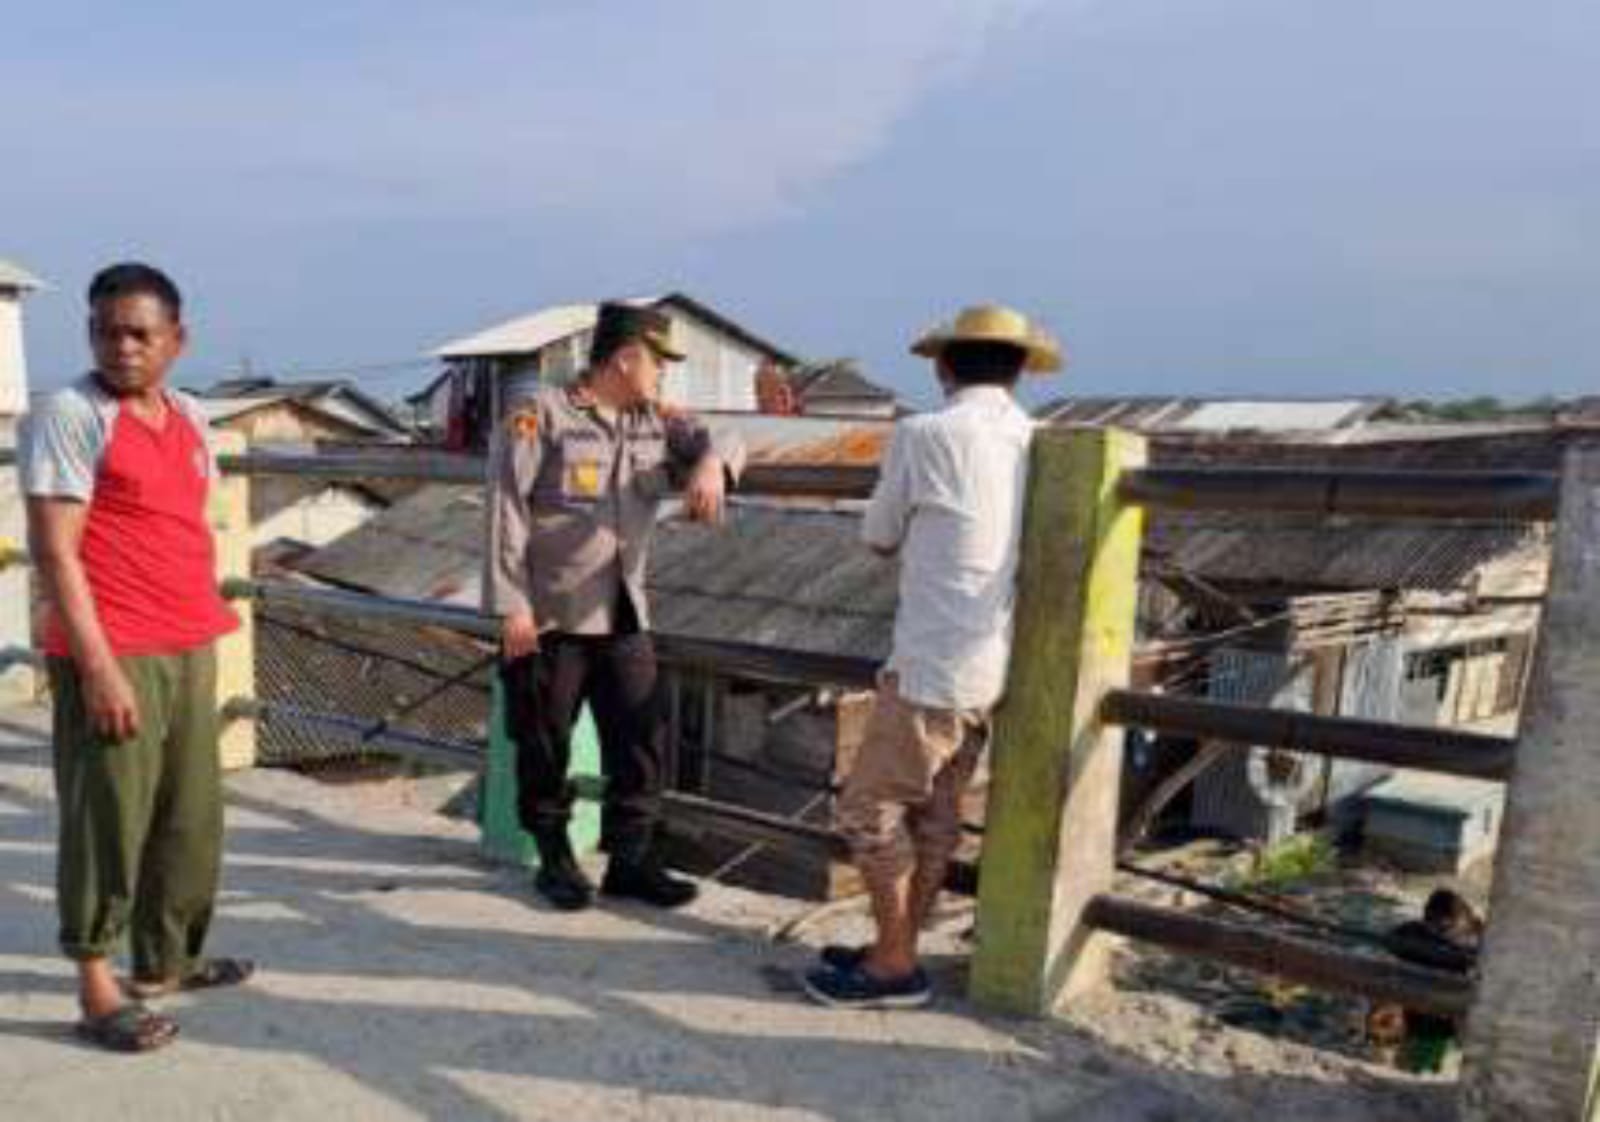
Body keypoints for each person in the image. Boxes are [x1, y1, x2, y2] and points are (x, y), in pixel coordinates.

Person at [19, 263, 254, 1052]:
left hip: (187, 639)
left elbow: (182, 522)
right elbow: (55, 552)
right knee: (107, 820)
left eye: (140, 334)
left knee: (189, 817)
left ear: (176, 342)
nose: (121, 347)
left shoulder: (188, 415)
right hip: (114, 646)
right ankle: (95, 982)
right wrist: (97, 665)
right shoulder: (71, 414)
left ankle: (166, 960)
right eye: (105, 330)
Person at [802, 303, 1061, 1009]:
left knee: (866, 811)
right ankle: (902, 944)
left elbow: (878, 535)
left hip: (930, 662)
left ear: (944, 364)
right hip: (990, 664)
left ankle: (891, 964)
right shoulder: (1036, 441)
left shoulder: (922, 433)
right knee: (937, 817)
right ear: (1020, 369)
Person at [485, 302, 744, 912]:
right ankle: (554, 858)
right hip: (552, 617)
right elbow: (505, 510)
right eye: (660, 364)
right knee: (545, 742)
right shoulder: (539, 416)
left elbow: (728, 437)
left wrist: (709, 464)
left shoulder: (655, 422)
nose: (663, 378)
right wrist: (511, 607)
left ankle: (630, 860)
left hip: (625, 614)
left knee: (642, 739)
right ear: (626, 359)